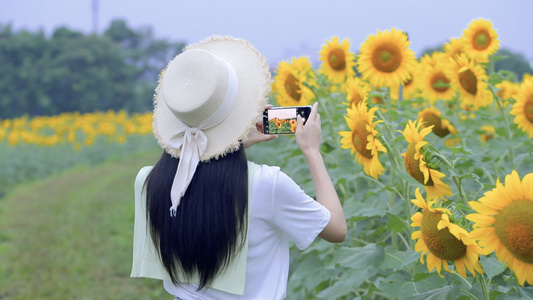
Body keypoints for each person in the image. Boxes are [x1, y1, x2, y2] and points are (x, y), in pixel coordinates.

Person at [131, 35, 347, 300]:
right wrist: (312, 151)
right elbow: (336, 229)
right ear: (243, 113)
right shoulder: (266, 185)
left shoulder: (149, 181)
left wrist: (232, 143)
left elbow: (200, 169)